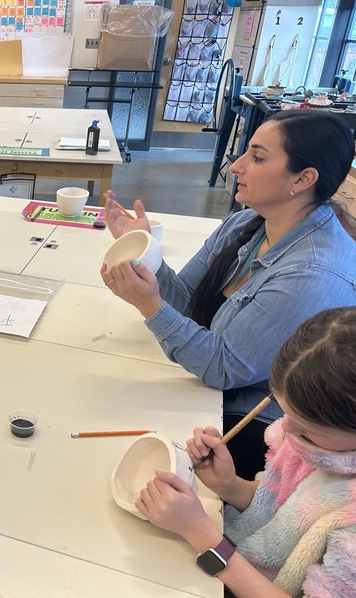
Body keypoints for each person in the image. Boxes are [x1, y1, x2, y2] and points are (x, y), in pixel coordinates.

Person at [100, 109, 356, 480]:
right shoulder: (248, 223)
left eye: (258, 157)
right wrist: (144, 253)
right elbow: (189, 302)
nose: (236, 166)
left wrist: (150, 305)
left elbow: (223, 369)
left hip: (263, 424)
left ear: (303, 179)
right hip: (213, 388)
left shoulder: (312, 274)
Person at [135, 307, 356, 598]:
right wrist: (229, 485)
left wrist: (203, 536)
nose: (286, 427)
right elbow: (284, 508)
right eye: (285, 411)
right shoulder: (322, 447)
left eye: (308, 427)